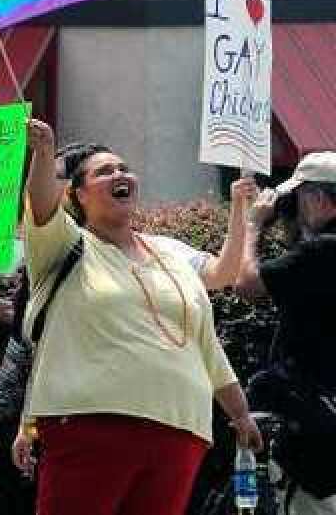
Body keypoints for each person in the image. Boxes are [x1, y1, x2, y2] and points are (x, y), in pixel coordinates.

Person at [19, 119, 261, 515]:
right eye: (104, 172)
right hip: (91, 428)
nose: (120, 174)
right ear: (77, 195)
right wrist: (44, 153)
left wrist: (240, 414)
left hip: (179, 432)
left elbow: (206, 347)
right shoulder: (65, 245)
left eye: (123, 168)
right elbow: (42, 205)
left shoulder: (170, 256)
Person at [234, 152, 336, 512]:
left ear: (318, 199)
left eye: (295, 202)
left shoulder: (324, 249)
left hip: (317, 433)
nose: (290, 214)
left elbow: (248, 284)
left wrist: (254, 226)